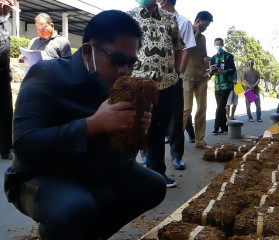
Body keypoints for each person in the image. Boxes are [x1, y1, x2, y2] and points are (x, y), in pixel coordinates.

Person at [4, 10, 166, 240]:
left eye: (131, 63)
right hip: (39, 176)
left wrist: (135, 132)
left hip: (92, 168)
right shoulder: (46, 75)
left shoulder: (118, 86)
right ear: (89, 51)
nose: (125, 71)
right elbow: (25, 147)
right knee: (74, 209)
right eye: (117, 60)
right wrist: (93, 124)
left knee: (153, 186)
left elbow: (124, 157)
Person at [128, 0, 185, 187]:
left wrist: (175, 73)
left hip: (167, 83)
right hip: (139, 82)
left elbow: (178, 47)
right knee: (133, 127)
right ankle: (125, 173)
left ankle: (157, 174)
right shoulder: (129, 17)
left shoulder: (170, 19)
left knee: (158, 130)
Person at [156, 0, 196, 170]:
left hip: (173, 76)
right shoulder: (151, 18)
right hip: (153, 76)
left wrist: (179, 73)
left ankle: (176, 156)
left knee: (176, 118)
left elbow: (186, 49)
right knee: (150, 117)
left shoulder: (183, 22)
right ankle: (147, 156)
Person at [183, 11, 213, 149]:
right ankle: (177, 141)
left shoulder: (204, 38)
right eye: (203, 26)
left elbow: (204, 56)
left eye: (206, 27)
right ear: (198, 20)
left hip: (201, 77)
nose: (204, 29)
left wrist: (209, 70)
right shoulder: (185, 32)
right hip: (187, 77)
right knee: (186, 109)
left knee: (202, 109)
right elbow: (183, 50)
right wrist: (194, 34)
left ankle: (199, 140)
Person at [0, 0, 16, 160]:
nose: (7, 11)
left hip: (3, 78)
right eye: (5, 7)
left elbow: (5, 52)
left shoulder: (5, 25)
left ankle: (5, 149)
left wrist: (9, 72)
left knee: (6, 114)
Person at [210, 37, 236, 134]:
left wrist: (223, 72)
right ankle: (224, 126)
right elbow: (211, 71)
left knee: (220, 106)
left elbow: (233, 69)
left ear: (223, 45)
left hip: (226, 85)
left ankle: (216, 127)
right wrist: (211, 71)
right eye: (216, 44)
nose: (218, 46)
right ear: (214, 45)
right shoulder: (213, 58)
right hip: (217, 85)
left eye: (220, 44)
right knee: (220, 106)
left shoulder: (229, 56)